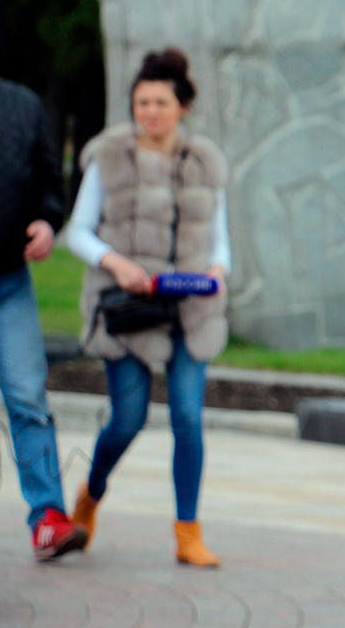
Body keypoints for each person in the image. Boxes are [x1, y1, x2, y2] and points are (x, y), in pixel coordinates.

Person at [66, 47, 230, 567]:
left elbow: (221, 240)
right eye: (141, 102)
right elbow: (78, 231)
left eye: (160, 102)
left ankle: (188, 532)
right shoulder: (110, 157)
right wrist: (118, 264)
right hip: (127, 309)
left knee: (187, 417)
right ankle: (90, 496)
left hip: (189, 308)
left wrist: (218, 271)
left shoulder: (203, 161)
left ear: (182, 106)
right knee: (128, 419)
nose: (149, 112)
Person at [0, 0, 84, 561]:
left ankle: (47, 517)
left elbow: (51, 184)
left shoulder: (23, 108)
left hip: (8, 284)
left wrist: (47, 222)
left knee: (27, 398)